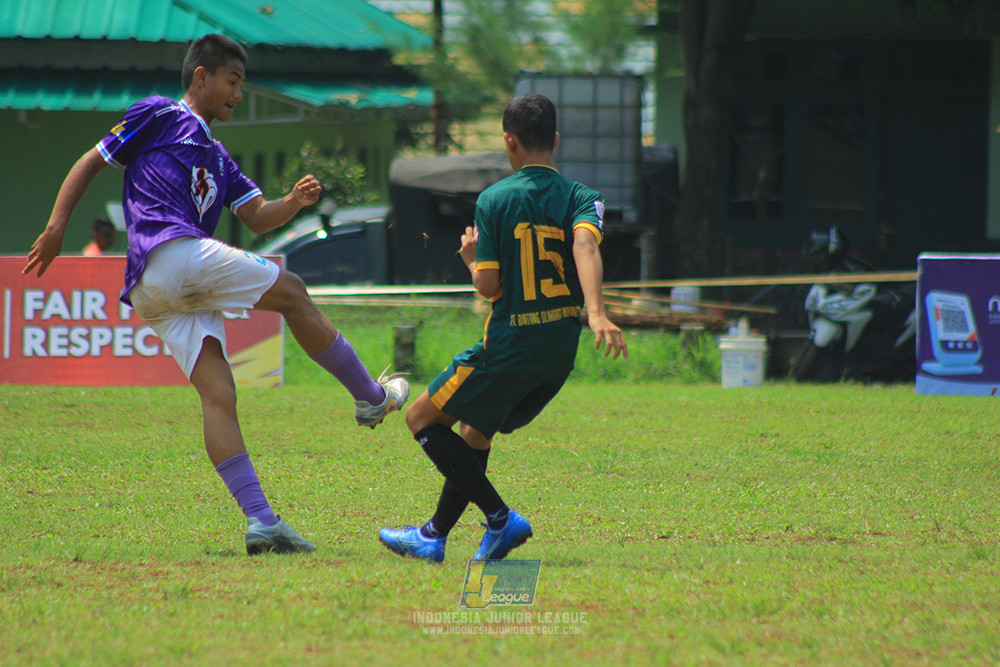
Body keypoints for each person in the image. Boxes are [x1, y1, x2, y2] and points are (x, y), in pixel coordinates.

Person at [22, 34, 408, 555]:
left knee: (219, 395)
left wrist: (293, 202)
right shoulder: (160, 113)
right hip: (170, 255)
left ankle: (262, 522)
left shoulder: (220, 157)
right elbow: (90, 161)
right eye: (232, 80)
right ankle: (370, 397)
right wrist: (56, 227)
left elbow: (257, 216)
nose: (238, 93)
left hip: (155, 290)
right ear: (201, 76)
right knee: (293, 292)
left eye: (241, 84)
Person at [378, 93, 627, 563]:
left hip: (511, 345)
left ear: (509, 141)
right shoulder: (584, 197)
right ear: (555, 139)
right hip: (558, 351)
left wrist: (472, 259)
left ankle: (499, 518)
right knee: (475, 431)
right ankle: (433, 536)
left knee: (420, 419)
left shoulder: (494, 200)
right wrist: (595, 312)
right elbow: (585, 247)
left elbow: (489, 287)